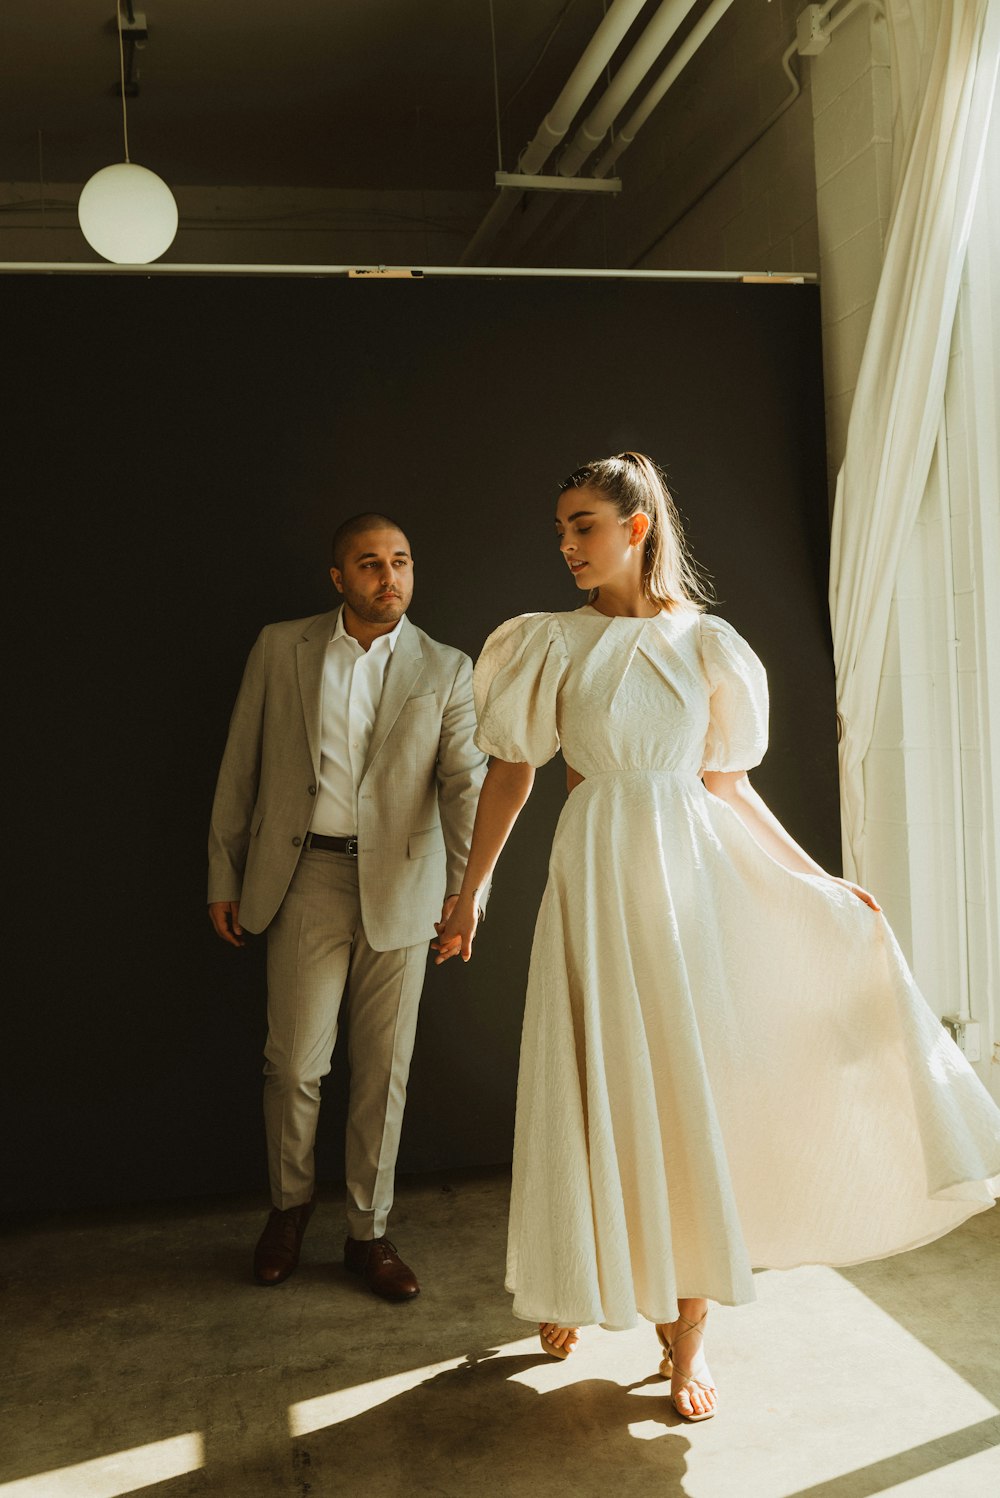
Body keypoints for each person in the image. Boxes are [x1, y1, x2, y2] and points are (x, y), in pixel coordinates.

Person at [434, 452, 1000, 1421]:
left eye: (583, 525)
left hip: (689, 880)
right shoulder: (546, 643)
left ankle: (686, 1335)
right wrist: (470, 887)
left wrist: (817, 881)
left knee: (689, 1089)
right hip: (596, 874)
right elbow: (511, 771)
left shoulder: (710, 646)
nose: (567, 545)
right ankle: (577, 1274)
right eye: (560, 530)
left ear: (637, 526)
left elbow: (728, 786)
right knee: (589, 1074)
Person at [209, 512, 486, 1300]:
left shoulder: (447, 667)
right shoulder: (281, 646)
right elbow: (241, 765)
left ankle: (368, 1233)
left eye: (400, 561)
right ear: (339, 579)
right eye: (370, 564)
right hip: (304, 880)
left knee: (383, 1074)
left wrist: (468, 893)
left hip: (405, 889)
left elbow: (466, 786)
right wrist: (222, 874)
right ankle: (288, 1209)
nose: (388, 577)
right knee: (293, 1065)